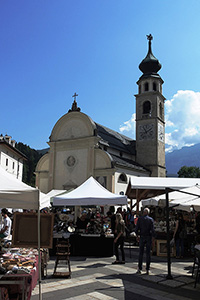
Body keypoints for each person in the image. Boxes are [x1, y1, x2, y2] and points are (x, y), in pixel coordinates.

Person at [135, 207, 155, 274]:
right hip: (148, 236)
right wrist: (153, 237)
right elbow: (152, 230)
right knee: (148, 253)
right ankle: (147, 269)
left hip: (142, 236)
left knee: (141, 253)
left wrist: (137, 235)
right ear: (148, 213)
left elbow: (137, 228)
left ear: (144, 212)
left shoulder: (140, 219)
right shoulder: (151, 220)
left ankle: (139, 268)